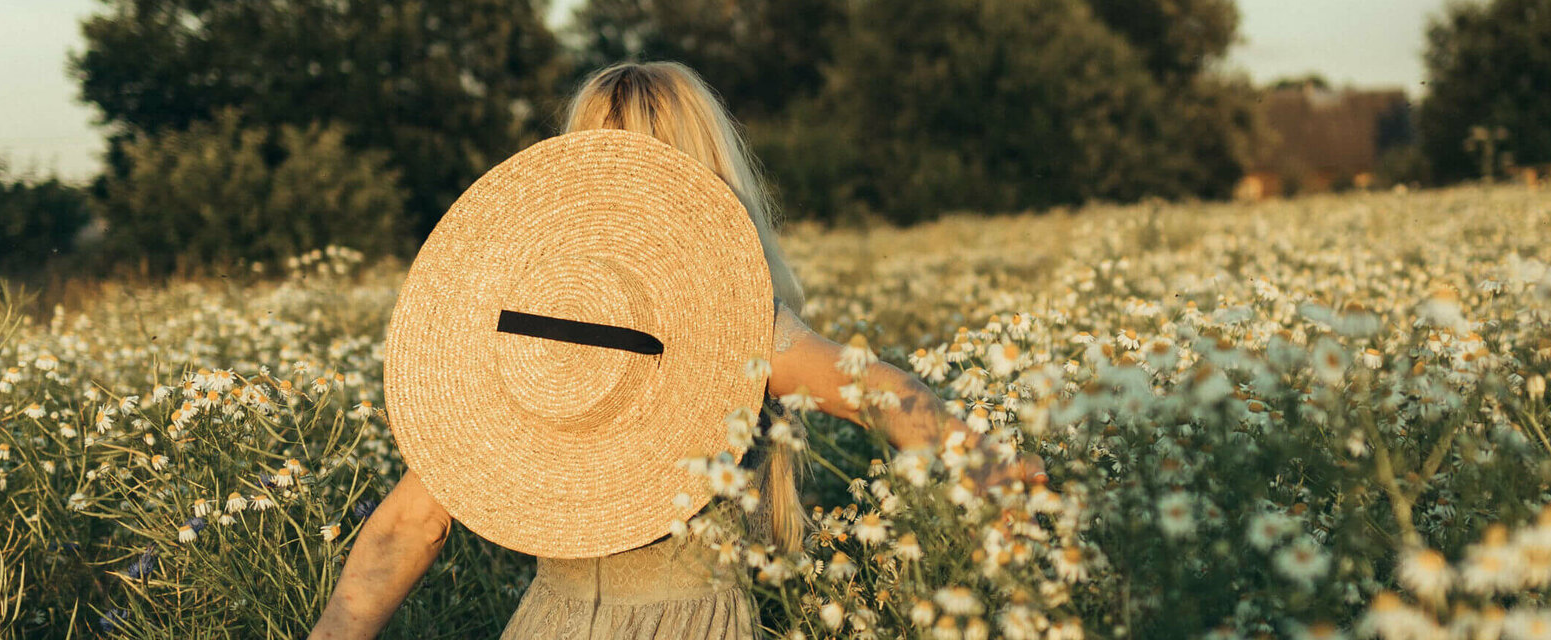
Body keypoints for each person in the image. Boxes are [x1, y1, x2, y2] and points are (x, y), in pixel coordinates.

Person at [306, 60, 1047, 640]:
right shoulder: (735, 325)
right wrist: (988, 467)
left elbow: (412, 523)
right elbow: (875, 391)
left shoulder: (524, 332)